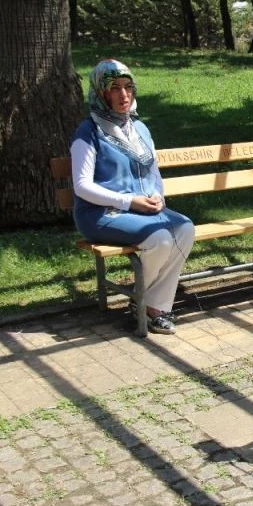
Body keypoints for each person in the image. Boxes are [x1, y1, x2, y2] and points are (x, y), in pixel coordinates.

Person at [70, 59, 195, 335]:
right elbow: (81, 186)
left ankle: (150, 304)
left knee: (185, 228)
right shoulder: (88, 132)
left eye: (128, 87)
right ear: (101, 92)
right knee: (160, 238)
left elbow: (155, 174)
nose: (123, 95)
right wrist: (128, 202)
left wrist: (158, 196)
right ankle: (149, 307)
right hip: (101, 214)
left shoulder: (140, 129)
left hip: (140, 211)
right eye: (114, 88)